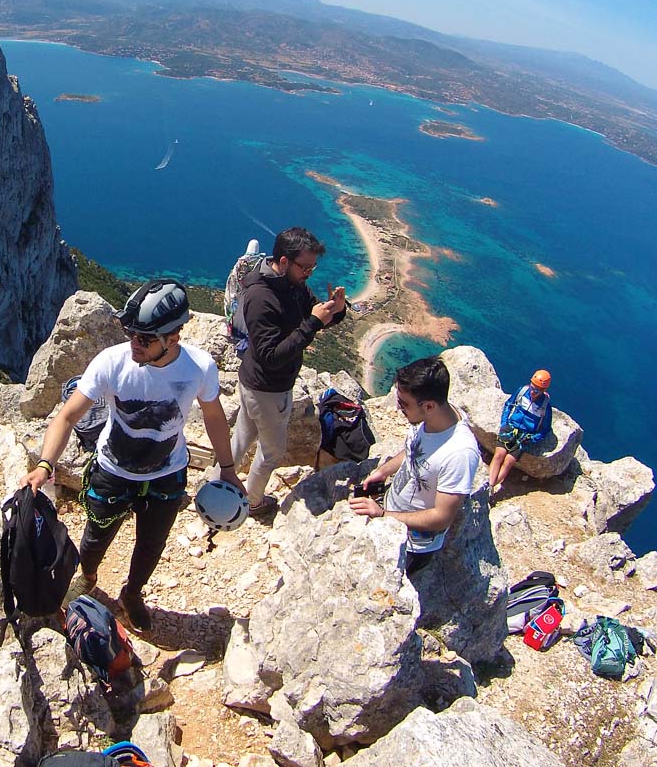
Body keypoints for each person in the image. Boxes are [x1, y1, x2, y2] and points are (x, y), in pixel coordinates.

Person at [21, 280, 239, 631]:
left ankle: (132, 595)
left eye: (145, 338)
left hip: (167, 473)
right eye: (131, 333)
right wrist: (45, 464)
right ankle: (88, 577)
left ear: (173, 336)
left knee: (152, 543)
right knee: (96, 534)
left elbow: (214, 417)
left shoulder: (199, 367)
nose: (134, 343)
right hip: (113, 470)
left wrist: (227, 469)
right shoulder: (112, 362)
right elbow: (67, 415)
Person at [230, 227, 346, 516]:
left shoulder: (292, 285)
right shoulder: (261, 297)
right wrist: (313, 324)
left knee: (243, 437)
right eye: (304, 266)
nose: (309, 272)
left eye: (312, 266)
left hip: (254, 383)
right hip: (268, 388)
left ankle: (218, 482)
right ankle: (253, 502)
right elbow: (271, 355)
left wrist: (336, 310)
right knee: (271, 453)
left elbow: (313, 314)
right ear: (283, 261)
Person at [350, 357, 481, 576]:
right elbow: (414, 450)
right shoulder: (433, 418)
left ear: (429, 406)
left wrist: (383, 515)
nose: (398, 407)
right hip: (391, 513)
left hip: (412, 545)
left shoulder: (460, 453)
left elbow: (442, 517)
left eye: (404, 403)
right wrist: (383, 471)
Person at [488, 370, 553, 491]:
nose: (533, 392)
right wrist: (504, 423)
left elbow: (545, 429)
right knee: (499, 455)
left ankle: (491, 486)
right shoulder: (522, 392)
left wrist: (532, 439)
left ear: (544, 391)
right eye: (532, 388)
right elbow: (509, 404)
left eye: (537, 390)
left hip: (525, 436)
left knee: (508, 462)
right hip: (511, 427)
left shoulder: (545, 407)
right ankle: (489, 485)